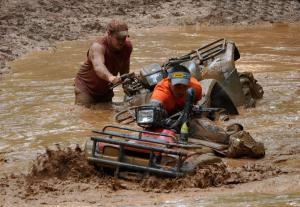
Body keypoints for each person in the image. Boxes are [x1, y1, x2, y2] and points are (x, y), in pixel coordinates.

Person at [74, 19, 133, 107]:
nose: (121, 42)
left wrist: (128, 85)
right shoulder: (98, 47)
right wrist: (111, 78)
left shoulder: (127, 47)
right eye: (118, 38)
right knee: (84, 114)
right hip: (86, 89)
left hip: (106, 90)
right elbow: (98, 67)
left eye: (123, 38)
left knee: (105, 115)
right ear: (109, 34)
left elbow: (124, 71)